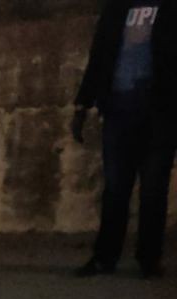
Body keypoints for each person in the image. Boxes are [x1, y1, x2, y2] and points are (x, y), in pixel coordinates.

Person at [72, 0, 175, 279]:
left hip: (160, 114)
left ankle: (149, 259)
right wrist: (83, 104)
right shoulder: (117, 7)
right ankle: (105, 256)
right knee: (115, 188)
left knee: (154, 189)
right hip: (119, 110)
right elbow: (100, 54)